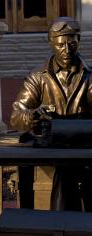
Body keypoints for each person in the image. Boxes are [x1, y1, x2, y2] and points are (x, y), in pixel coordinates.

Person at [10, 16, 92, 211]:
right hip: (51, 144)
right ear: (51, 44)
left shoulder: (89, 77)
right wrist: (34, 115)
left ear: (78, 41)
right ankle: (63, 226)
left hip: (83, 143)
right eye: (60, 45)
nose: (67, 50)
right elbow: (16, 116)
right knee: (65, 170)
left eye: (71, 44)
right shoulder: (38, 77)